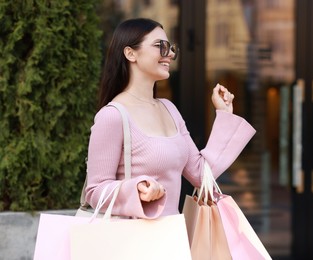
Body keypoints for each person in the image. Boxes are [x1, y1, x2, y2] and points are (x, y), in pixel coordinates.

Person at [85, 18, 256, 219]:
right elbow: (95, 191)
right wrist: (137, 190)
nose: (171, 54)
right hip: (133, 244)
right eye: (161, 46)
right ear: (130, 53)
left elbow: (202, 176)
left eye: (171, 47)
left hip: (171, 239)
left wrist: (225, 114)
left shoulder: (169, 109)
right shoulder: (112, 116)